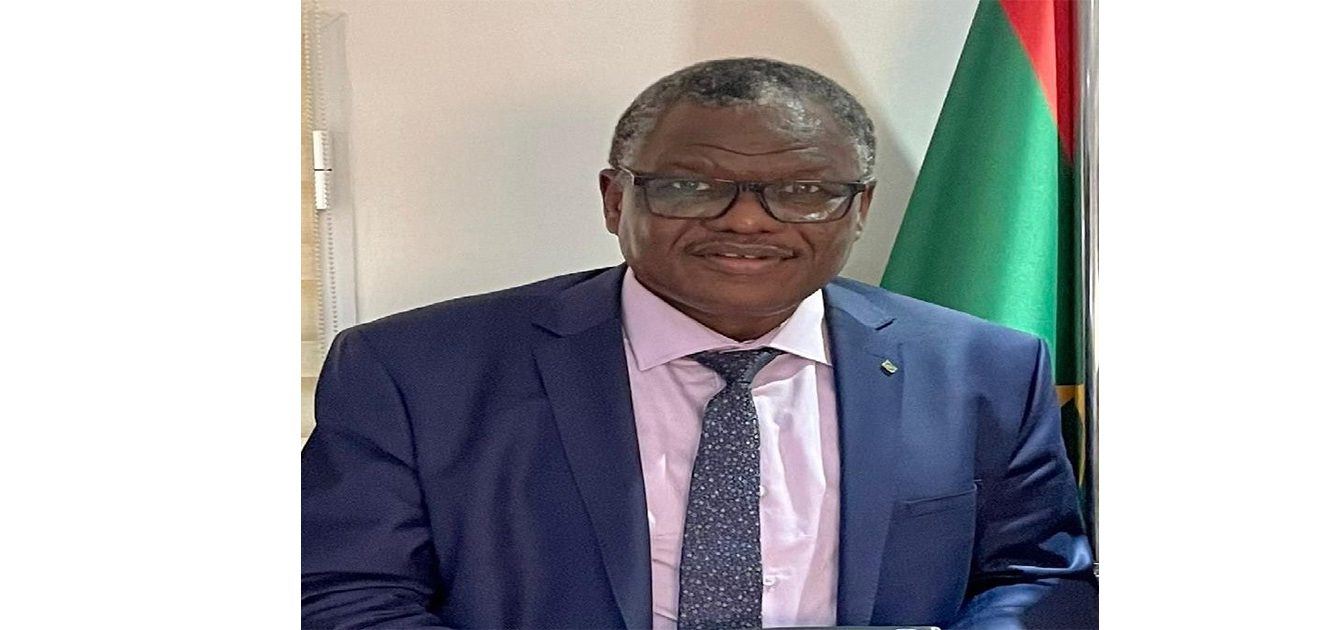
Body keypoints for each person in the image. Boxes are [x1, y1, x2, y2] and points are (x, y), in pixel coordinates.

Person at [302, 57, 1092, 630]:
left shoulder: (984, 369)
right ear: (615, 199)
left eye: (805, 191)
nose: (746, 219)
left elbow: (1038, 575)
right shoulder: (413, 373)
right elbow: (345, 592)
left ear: (859, 209)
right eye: (691, 186)